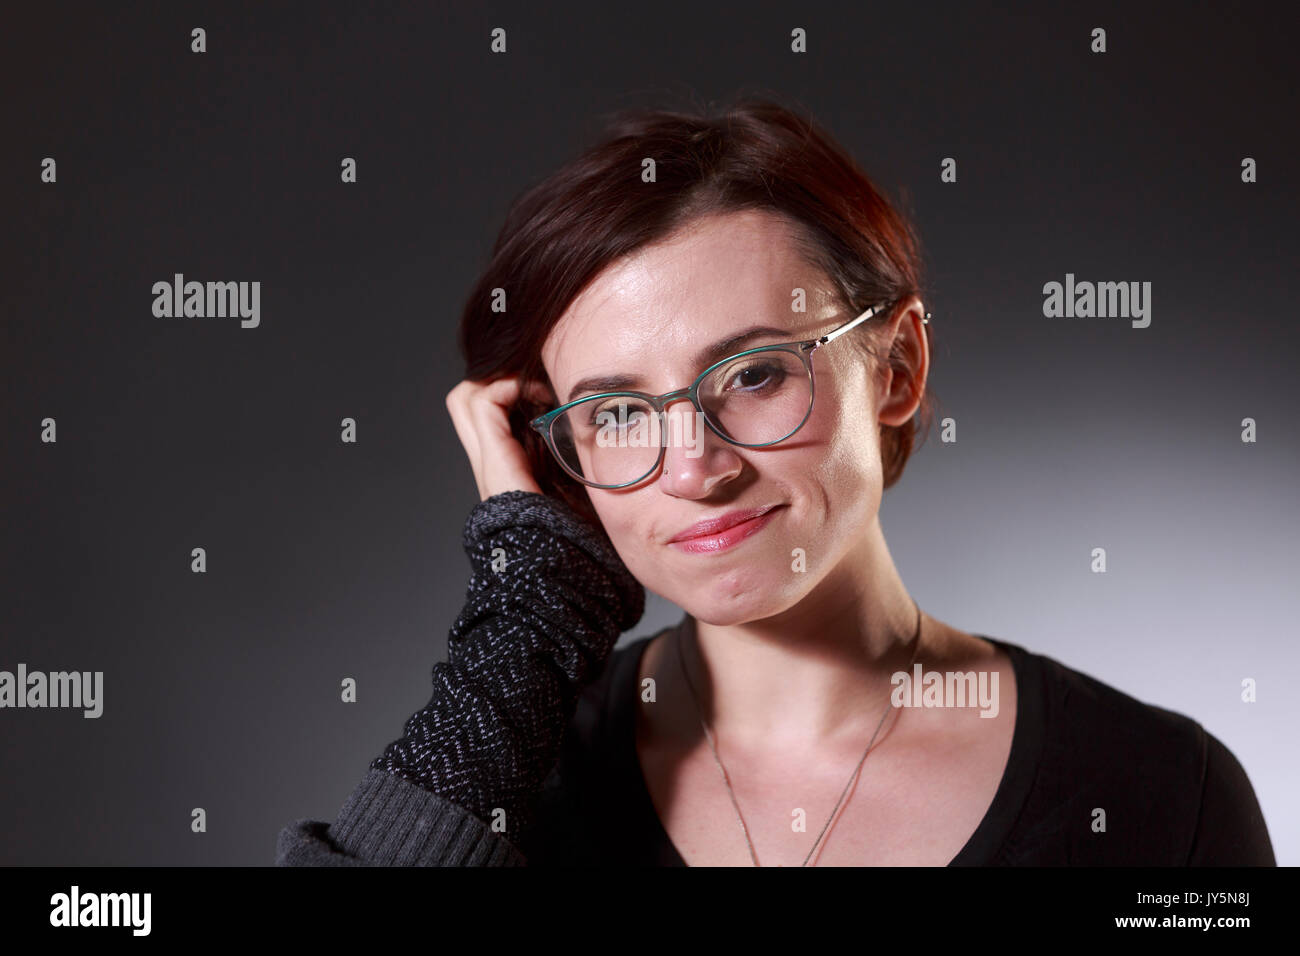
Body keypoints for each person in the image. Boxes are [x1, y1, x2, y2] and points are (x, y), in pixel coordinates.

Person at [276, 98, 1275, 866]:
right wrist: (527, 618)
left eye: (753, 374)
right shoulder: (506, 780)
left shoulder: (1155, 791)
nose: (696, 467)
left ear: (896, 367)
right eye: (619, 412)